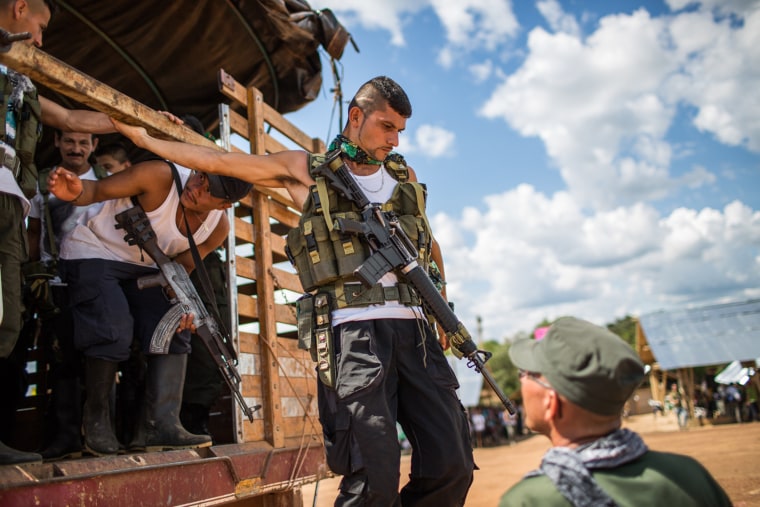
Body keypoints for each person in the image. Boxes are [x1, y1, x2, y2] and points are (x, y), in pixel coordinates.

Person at [113, 76, 475, 505]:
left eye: (400, 130)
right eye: (387, 126)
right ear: (356, 116)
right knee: (373, 479)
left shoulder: (403, 175)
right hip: (354, 337)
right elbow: (220, 161)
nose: (394, 140)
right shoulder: (306, 169)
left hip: (416, 331)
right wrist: (144, 137)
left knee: (452, 464)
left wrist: (443, 308)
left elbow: (427, 245)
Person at [46, 157, 252, 456]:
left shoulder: (216, 228)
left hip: (144, 269)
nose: (195, 187)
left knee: (174, 325)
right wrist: (75, 191)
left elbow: (181, 268)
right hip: (93, 249)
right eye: (200, 176)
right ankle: (96, 423)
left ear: (224, 205)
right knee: (113, 329)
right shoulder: (160, 177)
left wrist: (183, 305)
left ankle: (163, 425)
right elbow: (96, 190)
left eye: (209, 190)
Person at [0, 0, 119, 465]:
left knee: (6, 325)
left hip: (10, 205)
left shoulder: (21, 78)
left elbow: (72, 118)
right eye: (41, 26)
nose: (42, 39)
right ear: (20, 7)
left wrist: (136, 120)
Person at [499, 316, 732, 507]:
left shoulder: (529, 500)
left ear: (552, 403)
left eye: (527, 374)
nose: (521, 380)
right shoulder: (690, 475)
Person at [26, 130, 106, 460]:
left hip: (99, 280)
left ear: (94, 145)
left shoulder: (108, 182)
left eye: (84, 142)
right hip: (56, 281)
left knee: (103, 357)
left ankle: (101, 437)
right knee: (61, 360)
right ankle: (66, 436)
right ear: (57, 141)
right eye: (69, 141)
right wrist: (33, 274)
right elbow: (33, 232)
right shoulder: (42, 182)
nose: (76, 148)